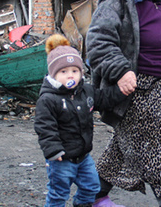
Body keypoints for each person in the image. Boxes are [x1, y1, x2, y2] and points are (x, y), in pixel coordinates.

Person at [86, 0, 161, 207]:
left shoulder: (155, 4)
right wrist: (121, 70)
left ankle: (89, 199)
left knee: (121, 150)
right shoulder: (119, 2)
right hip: (141, 91)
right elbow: (98, 42)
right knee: (158, 151)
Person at [34, 34, 127, 207]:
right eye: (64, 72)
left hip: (83, 156)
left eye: (75, 71)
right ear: (53, 74)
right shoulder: (48, 99)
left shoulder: (86, 91)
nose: (70, 76)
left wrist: (122, 91)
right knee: (59, 193)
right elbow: (45, 127)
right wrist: (53, 150)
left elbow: (104, 98)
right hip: (61, 159)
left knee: (92, 187)